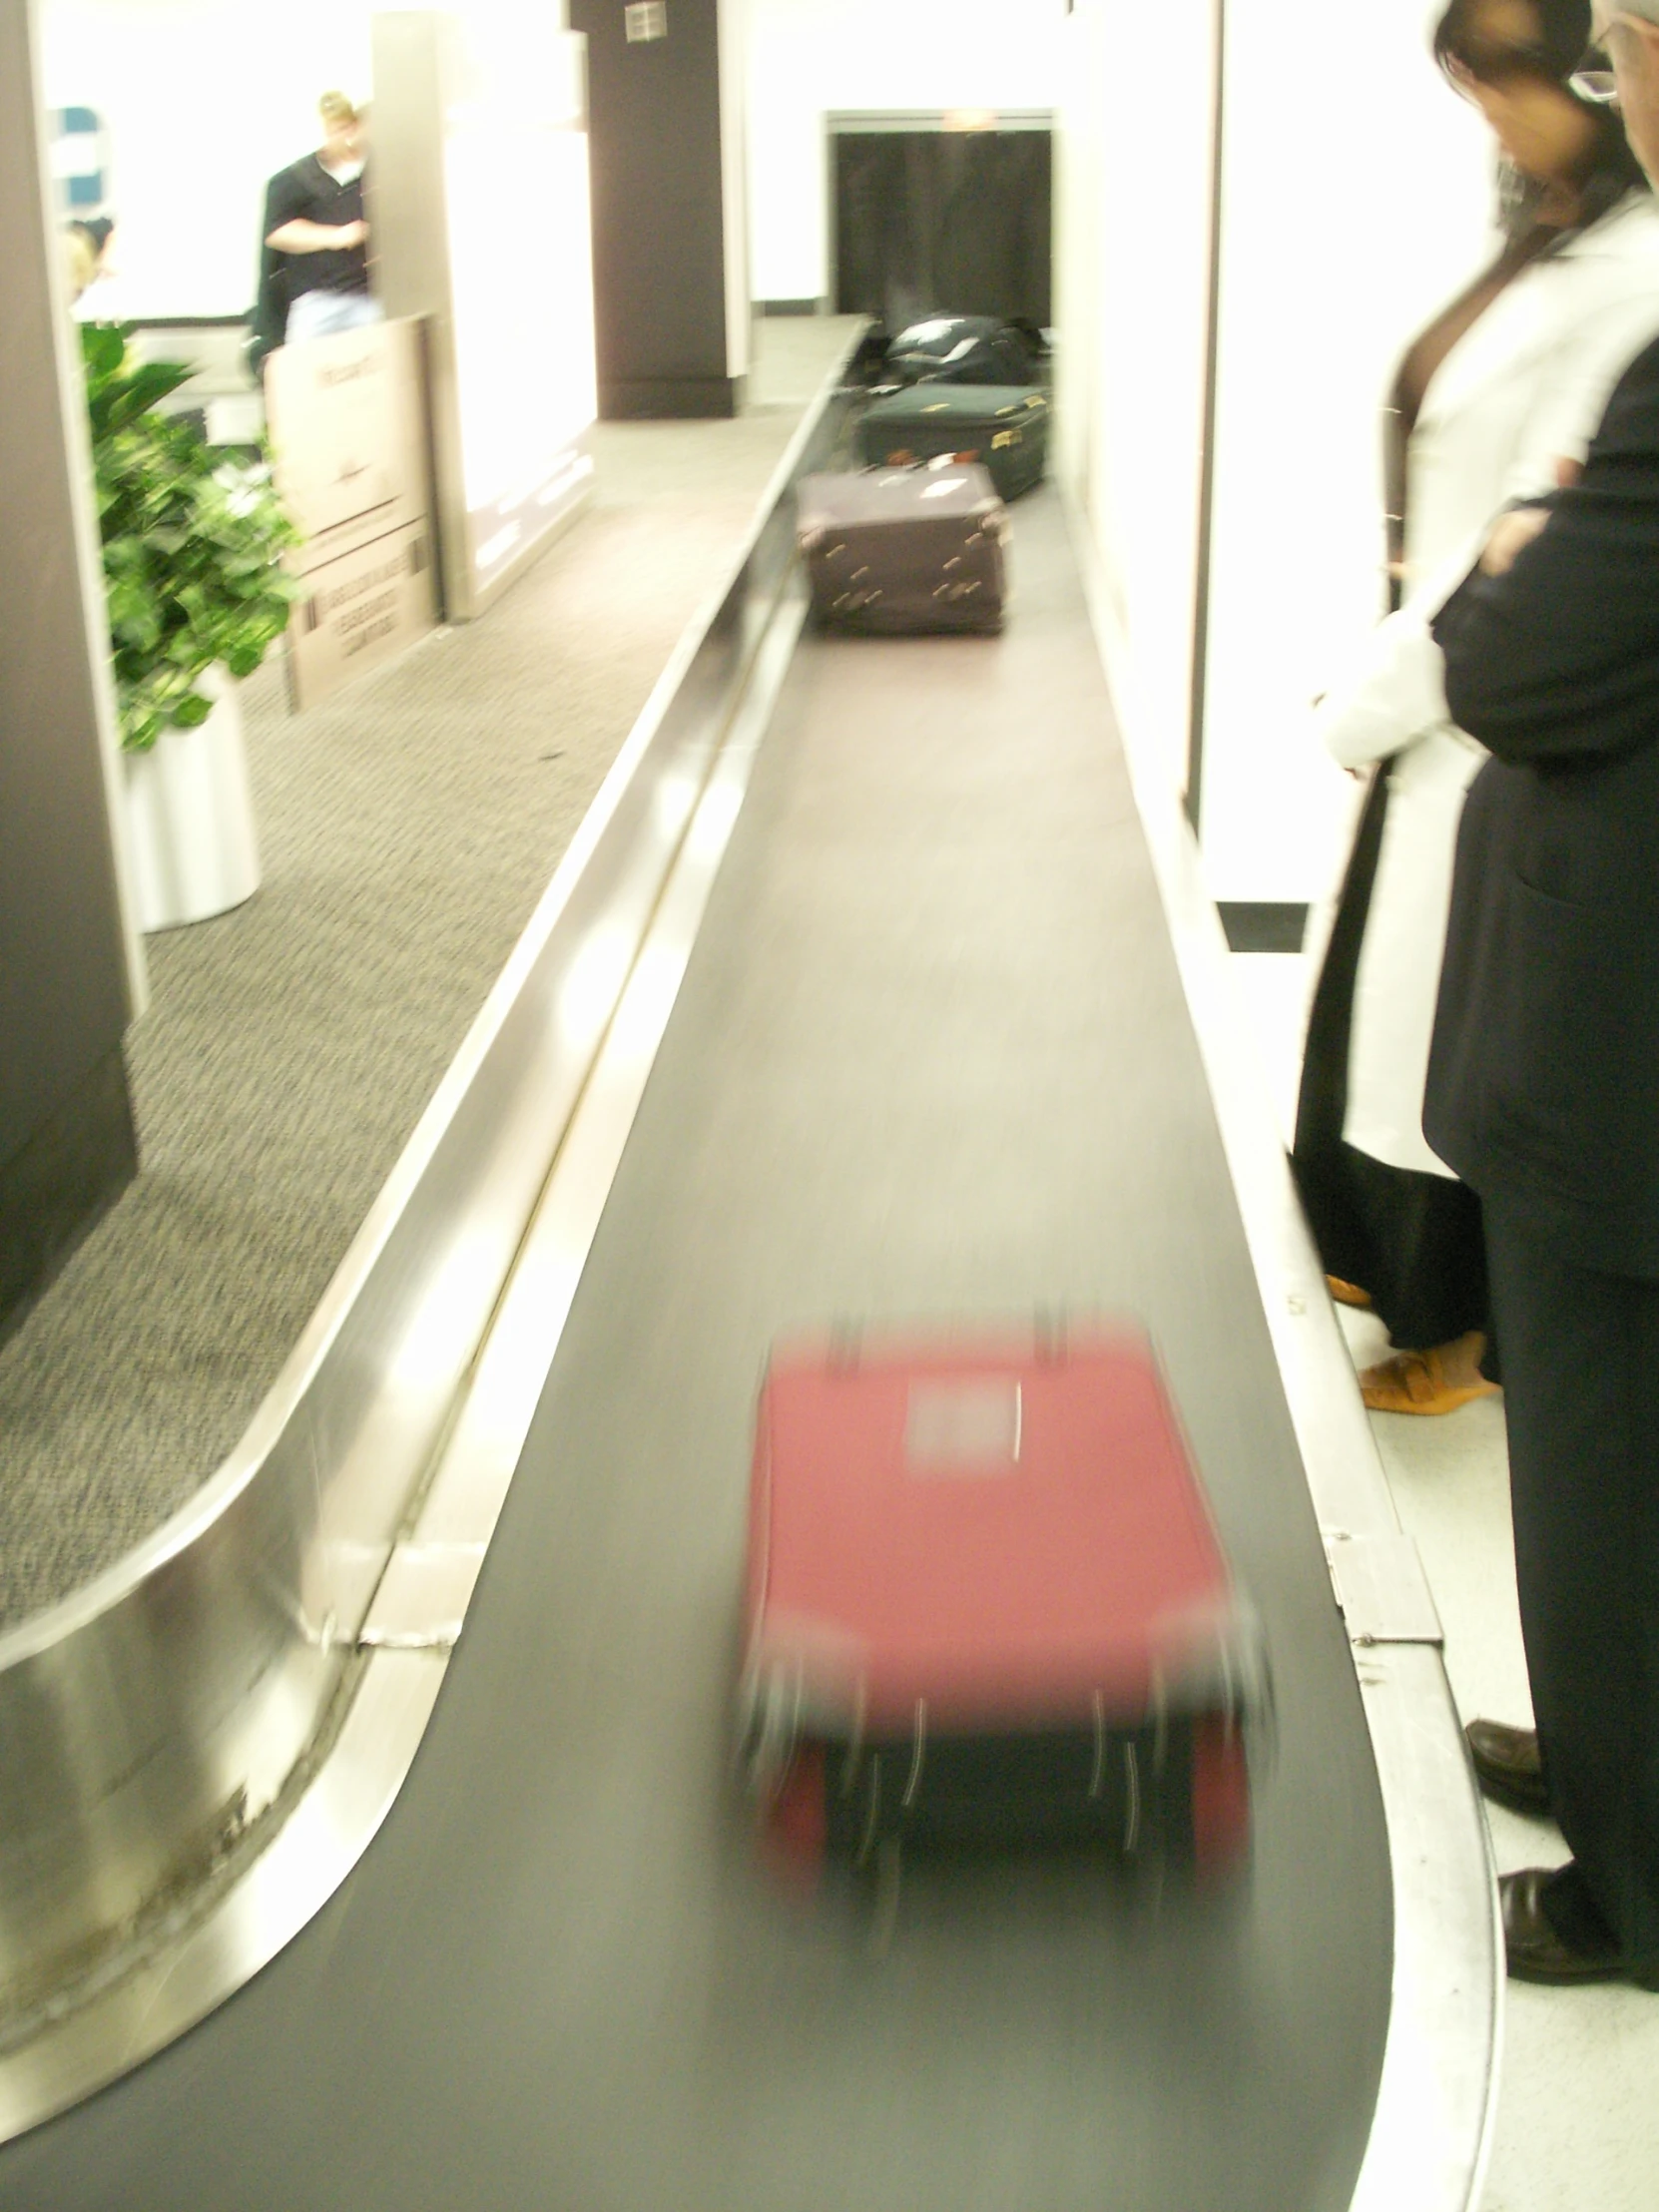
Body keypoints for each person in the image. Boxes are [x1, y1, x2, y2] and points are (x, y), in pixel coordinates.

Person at [1291, 0, 1659, 1415]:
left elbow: (1532, 556)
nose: (1490, 115)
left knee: (1453, 1051)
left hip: (1482, 713)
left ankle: (1448, 1332)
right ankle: (1412, 1304)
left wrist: (1375, 697)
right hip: (1435, 687)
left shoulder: (1631, 282)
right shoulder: (1551, 239)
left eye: (1513, 84)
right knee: (1378, 1028)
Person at [1422, 0, 1659, 1989]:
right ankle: (1606, 1762)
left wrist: (1518, 551)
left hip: (1626, 1045)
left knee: (1599, 1457)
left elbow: (1514, 658)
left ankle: (1632, 1883)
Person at [256, 91, 379, 359]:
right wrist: (335, 237)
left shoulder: (379, 171)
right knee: (305, 374)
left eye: (346, 128)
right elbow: (278, 232)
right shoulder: (295, 179)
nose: (342, 137)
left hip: (372, 298)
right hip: (319, 300)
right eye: (335, 130)